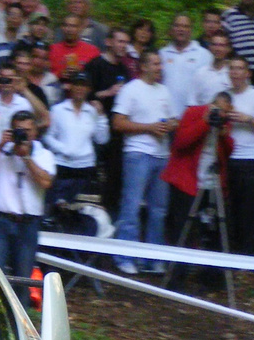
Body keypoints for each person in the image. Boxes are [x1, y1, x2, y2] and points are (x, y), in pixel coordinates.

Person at [162, 90, 235, 291]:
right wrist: (204, 122)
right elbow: (181, 142)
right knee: (182, 230)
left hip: (211, 182)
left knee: (213, 231)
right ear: (212, 104)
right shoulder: (194, 113)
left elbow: (229, 151)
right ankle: (176, 278)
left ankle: (212, 278)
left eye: (224, 112)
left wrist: (224, 135)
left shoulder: (224, 121)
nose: (220, 114)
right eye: (217, 109)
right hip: (186, 181)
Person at [111, 50, 176, 273]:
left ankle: (153, 257)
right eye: (155, 64)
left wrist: (170, 125)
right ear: (144, 66)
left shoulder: (164, 91)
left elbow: (174, 118)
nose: (159, 67)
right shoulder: (131, 90)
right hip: (138, 153)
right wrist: (149, 127)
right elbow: (118, 123)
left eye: (160, 64)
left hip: (162, 155)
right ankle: (124, 256)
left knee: (158, 210)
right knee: (132, 205)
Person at [0, 109, 56, 282]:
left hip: (28, 224)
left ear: (35, 133)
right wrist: (0, 145)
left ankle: (21, 308)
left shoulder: (44, 155)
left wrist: (26, 158)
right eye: (18, 129)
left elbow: (46, 182)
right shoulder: (3, 151)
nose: (22, 134)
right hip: (0, 221)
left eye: (27, 130)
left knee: (23, 278)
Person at [221, 56, 254, 255]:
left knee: (249, 208)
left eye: (240, 68)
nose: (235, 72)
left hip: (251, 158)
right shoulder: (224, 96)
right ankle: (233, 252)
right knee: (231, 208)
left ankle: (250, 255)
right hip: (227, 157)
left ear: (248, 73)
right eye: (232, 68)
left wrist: (248, 119)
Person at [44, 71, 110, 207]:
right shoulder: (58, 110)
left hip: (85, 166)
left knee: (80, 206)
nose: (79, 89)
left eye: (83, 85)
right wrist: (64, 149)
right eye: (76, 85)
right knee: (58, 204)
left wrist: (102, 116)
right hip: (62, 164)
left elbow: (102, 139)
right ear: (71, 87)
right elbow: (48, 136)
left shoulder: (92, 111)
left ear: (88, 89)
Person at [85, 27, 134, 213]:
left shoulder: (124, 69)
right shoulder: (95, 65)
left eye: (126, 43)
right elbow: (83, 93)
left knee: (114, 177)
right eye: (120, 41)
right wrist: (107, 93)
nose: (123, 46)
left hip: (118, 131)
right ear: (109, 42)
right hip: (95, 129)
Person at [0, 56, 49, 145]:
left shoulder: (24, 103)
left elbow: (44, 118)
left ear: (16, 80)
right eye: (3, 79)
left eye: (9, 79)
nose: (6, 82)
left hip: (15, 152)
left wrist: (24, 90)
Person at [159, 13, 214, 119]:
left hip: (194, 117)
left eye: (185, 26)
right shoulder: (162, 54)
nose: (181, 29)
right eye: (177, 25)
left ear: (191, 30)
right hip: (166, 117)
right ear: (171, 29)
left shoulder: (204, 55)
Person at [49, 14, 101, 79]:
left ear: (81, 28)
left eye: (73, 26)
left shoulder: (92, 51)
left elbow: (99, 76)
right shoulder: (51, 49)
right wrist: (59, 74)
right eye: (66, 25)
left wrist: (81, 72)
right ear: (62, 28)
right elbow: (42, 76)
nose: (69, 29)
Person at [190, 31, 233, 105]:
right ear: (209, 47)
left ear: (228, 48)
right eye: (215, 45)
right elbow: (192, 102)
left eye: (222, 45)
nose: (218, 49)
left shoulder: (235, 73)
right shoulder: (200, 73)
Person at [0, 3, 26, 70]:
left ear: (22, 19)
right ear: (5, 17)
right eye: (12, 14)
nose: (15, 18)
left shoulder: (24, 44)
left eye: (18, 15)